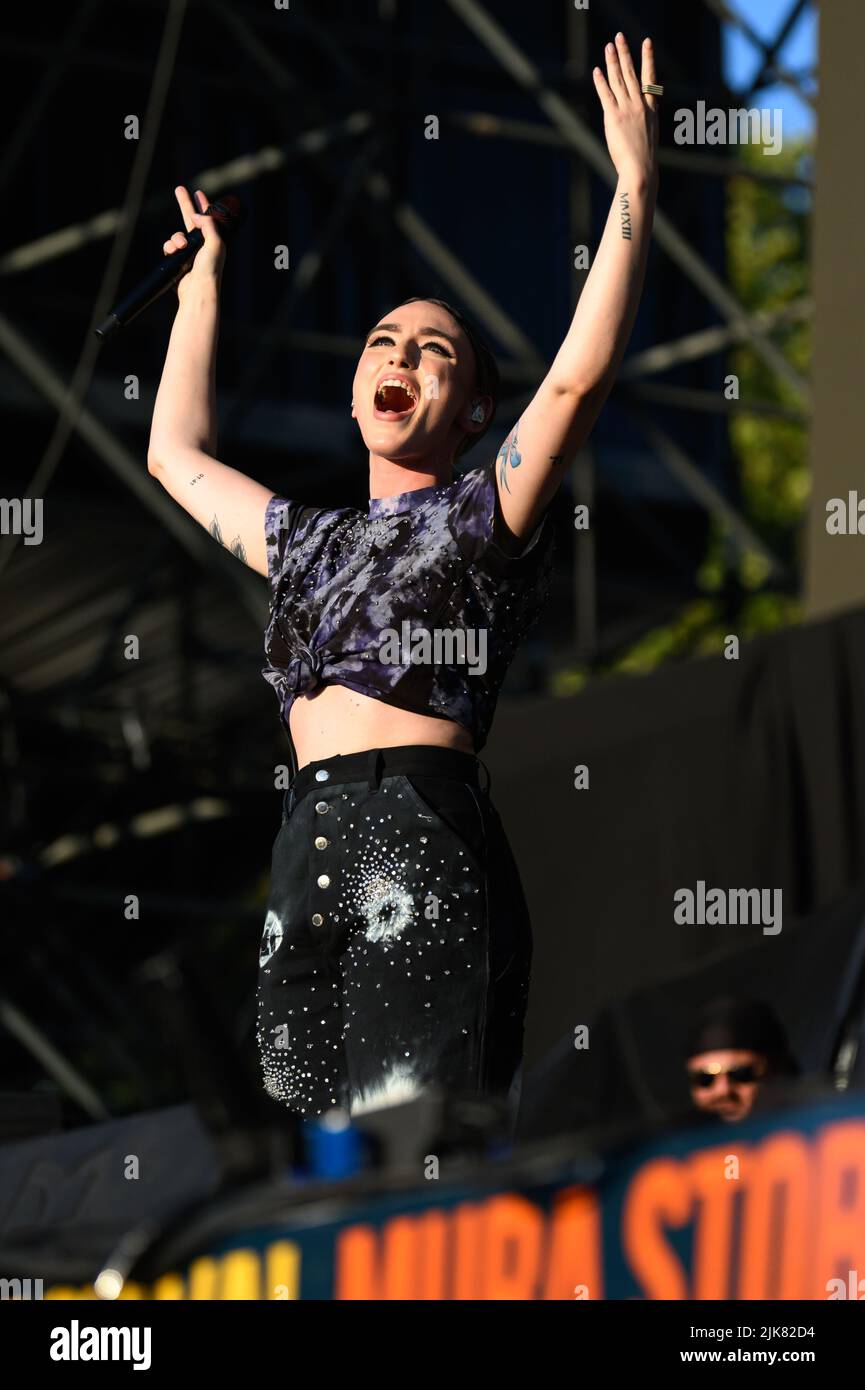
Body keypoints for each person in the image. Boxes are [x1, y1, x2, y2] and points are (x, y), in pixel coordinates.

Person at [147, 34, 660, 1119]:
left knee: (415, 1156)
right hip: (307, 844)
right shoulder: (308, 541)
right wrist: (201, 294)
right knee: (308, 1163)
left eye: (435, 352)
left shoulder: (479, 513)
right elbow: (175, 460)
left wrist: (635, 184)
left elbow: (573, 383)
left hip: (417, 831)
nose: (401, 357)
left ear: (472, 411)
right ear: (353, 389)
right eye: (384, 341)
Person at [685, 997, 800, 1124]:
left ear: (776, 1072)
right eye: (705, 1079)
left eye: (741, 1074)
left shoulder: (815, 1128)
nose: (722, 1090)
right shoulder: (676, 1140)